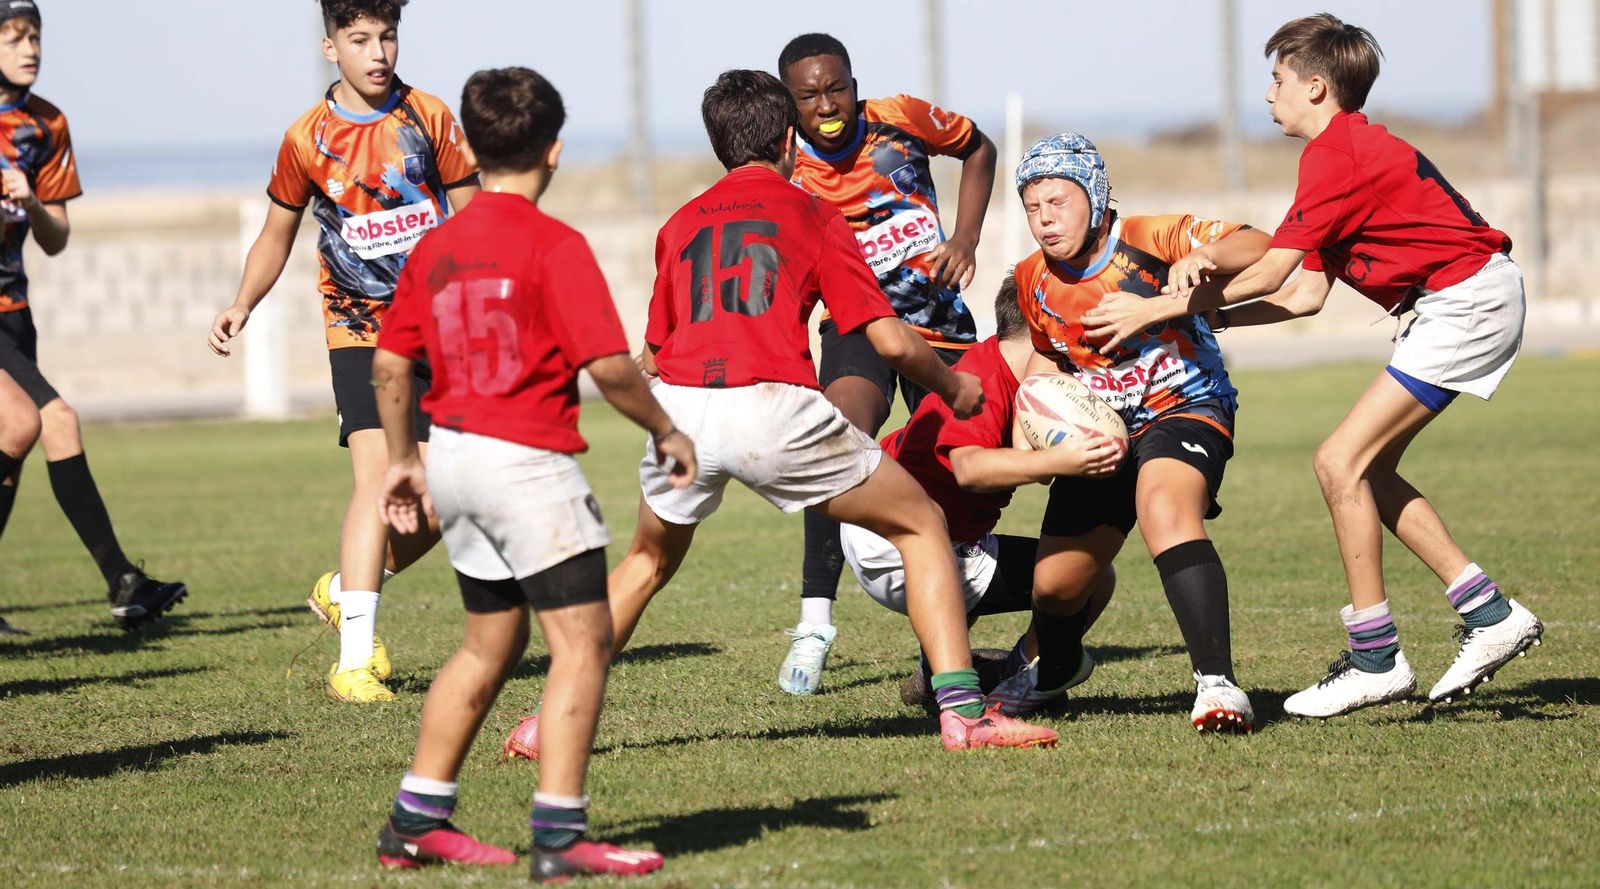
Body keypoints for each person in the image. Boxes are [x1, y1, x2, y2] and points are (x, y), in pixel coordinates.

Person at [504, 70, 1056, 760]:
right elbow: (888, 340)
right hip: (769, 404)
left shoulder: (679, 224)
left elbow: (653, 352)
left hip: (682, 408)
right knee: (921, 525)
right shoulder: (814, 214)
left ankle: (546, 720)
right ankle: (964, 715)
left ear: (719, 147)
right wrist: (953, 386)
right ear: (790, 140)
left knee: (645, 561)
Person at [1083, 14, 1542, 718]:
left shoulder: (1336, 155)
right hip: (1463, 299)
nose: (1269, 94)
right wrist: (1208, 315)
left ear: (1317, 87)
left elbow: (1270, 270)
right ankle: (1490, 615)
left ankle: (1376, 659)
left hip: (1465, 301)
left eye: (1278, 79)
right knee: (1367, 471)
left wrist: (1156, 308)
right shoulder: (1346, 155)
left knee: (1337, 462)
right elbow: (1302, 294)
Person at [370, 67, 681, 881]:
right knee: (584, 641)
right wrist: (666, 428)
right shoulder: (555, 244)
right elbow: (609, 368)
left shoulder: (436, 245)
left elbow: (390, 366)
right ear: (555, 150)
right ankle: (560, 834)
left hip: (455, 458)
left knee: (489, 643)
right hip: (527, 466)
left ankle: (415, 823)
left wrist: (403, 460)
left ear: (471, 151)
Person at [207, 0, 479, 702]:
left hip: (439, 328)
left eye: (387, 36)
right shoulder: (307, 137)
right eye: (359, 39)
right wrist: (242, 302)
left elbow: (477, 217)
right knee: (377, 479)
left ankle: (346, 588)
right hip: (359, 328)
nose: (377, 52)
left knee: (447, 497)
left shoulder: (430, 117)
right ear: (331, 47)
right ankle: (353, 661)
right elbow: (276, 234)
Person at [1012, 133, 1271, 733]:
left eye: (1058, 202)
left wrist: (1205, 257)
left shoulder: (1152, 236)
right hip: (1102, 427)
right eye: (1033, 207)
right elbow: (1049, 354)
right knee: (1054, 587)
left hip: (1185, 404)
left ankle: (1218, 685)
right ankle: (1055, 672)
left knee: (1164, 508)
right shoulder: (1032, 278)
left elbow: (1260, 244)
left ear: (1095, 195)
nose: (1045, 219)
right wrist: (1032, 414)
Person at [775, 32, 998, 694]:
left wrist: (966, 237)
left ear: (854, 83)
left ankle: (941, 654)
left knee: (960, 471)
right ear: (789, 103)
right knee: (834, 438)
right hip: (856, 328)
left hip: (941, 327)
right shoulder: (788, 167)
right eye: (809, 96)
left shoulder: (901, 117)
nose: (827, 105)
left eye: (836, 88)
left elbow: (979, 148)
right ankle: (815, 624)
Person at [837, 274, 1118, 713]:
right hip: (892, 542)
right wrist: (1061, 460)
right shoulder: (982, 379)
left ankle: (934, 676)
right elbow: (970, 470)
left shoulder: (1012, 374)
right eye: (1070, 335)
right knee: (1093, 578)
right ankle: (1017, 674)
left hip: (904, 527)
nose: (1079, 353)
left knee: (982, 553)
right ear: (1042, 328)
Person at [0, 0, 186, 632]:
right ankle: (122, 580)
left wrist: (31, 204)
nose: (30, 49)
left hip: (14, 312)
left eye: (35, 37)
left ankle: (123, 583)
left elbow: (56, 238)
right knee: (51, 419)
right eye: (14, 38)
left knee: (15, 443)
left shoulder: (46, 122)